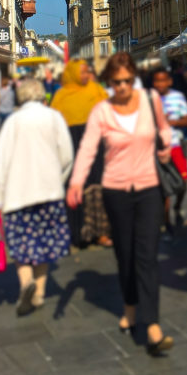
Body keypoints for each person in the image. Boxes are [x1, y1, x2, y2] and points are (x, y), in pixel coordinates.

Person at [68, 52, 175, 355]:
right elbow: (89, 148)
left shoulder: (150, 99)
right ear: (109, 83)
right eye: (118, 82)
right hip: (115, 191)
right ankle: (130, 306)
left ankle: (152, 325)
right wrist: (76, 181)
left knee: (147, 255)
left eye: (129, 80)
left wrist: (166, 145)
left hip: (149, 188)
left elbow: (163, 128)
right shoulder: (101, 111)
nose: (124, 86)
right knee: (125, 255)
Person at [0, 78, 74, 315]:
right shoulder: (54, 118)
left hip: (18, 195)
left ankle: (26, 283)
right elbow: (67, 155)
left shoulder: (13, 122)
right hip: (49, 193)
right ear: (42, 95)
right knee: (45, 244)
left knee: (21, 245)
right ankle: (39, 293)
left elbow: (1, 161)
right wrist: (56, 180)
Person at [51, 60, 112, 248]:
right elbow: (54, 123)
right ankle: (78, 232)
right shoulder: (61, 96)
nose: (86, 75)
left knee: (98, 185)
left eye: (87, 72)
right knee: (75, 187)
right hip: (71, 145)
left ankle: (101, 232)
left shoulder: (96, 90)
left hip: (97, 145)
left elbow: (109, 113)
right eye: (82, 72)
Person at [150, 67, 187, 234]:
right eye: (157, 81)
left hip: (175, 145)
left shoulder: (177, 97)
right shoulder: (149, 100)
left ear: (169, 81)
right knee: (164, 188)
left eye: (163, 80)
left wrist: (172, 122)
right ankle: (166, 221)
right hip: (157, 148)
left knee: (183, 183)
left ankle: (178, 205)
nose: (160, 84)